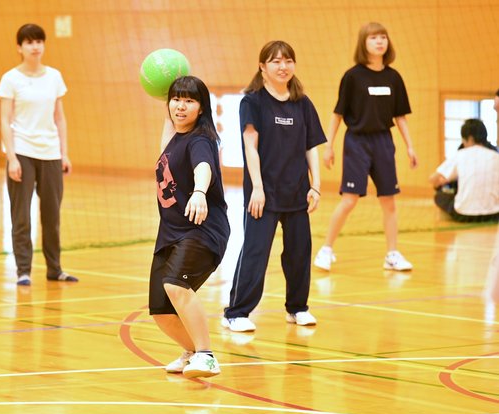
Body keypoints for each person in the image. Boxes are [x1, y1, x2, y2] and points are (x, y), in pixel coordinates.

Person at [222, 40, 326, 332]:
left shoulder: (302, 103)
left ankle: (297, 308)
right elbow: (250, 146)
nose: (283, 67)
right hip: (263, 195)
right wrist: (257, 187)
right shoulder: (252, 102)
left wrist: (315, 185)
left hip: (296, 192)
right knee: (255, 251)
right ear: (263, 67)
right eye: (276, 61)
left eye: (288, 61)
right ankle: (236, 312)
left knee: (299, 252)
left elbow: (311, 147)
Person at [315, 22, 418, 272]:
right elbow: (337, 114)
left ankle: (392, 254)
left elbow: (400, 116)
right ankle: (326, 249)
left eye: (383, 36)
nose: (380, 41)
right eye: (373, 37)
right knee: (349, 200)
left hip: (383, 141)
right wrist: (328, 147)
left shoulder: (394, 77)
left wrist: (410, 146)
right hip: (357, 142)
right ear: (364, 43)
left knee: (389, 201)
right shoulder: (352, 76)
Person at [151, 75, 230, 378]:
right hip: (170, 232)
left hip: (202, 229)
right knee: (160, 309)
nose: (181, 106)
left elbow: (203, 167)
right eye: (176, 99)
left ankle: (207, 356)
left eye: (189, 100)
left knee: (176, 285)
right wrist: (164, 92)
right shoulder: (174, 138)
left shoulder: (200, 139)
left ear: (201, 107)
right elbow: (165, 141)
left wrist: (199, 192)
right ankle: (191, 352)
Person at [0, 23, 78, 286]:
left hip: (51, 154)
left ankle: (55, 269)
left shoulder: (54, 76)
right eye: (29, 42)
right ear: (19, 47)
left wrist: (64, 154)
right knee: (21, 216)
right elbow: (4, 120)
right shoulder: (10, 79)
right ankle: (23, 270)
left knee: (52, 216)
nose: (35, 46)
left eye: (39, 41)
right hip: (22, 152)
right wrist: (11, 158)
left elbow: (60, 118)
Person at [429, 119, 499, 222]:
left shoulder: (461, 154)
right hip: (494, 214)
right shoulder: (496, 156)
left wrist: (445, 180)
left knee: (439, 196)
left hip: (464, 214)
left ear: (470, 139)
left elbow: (433, 179)